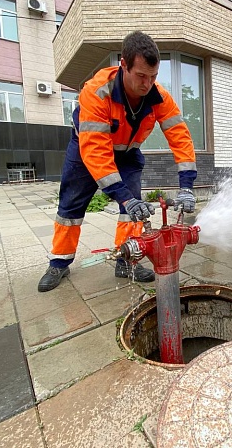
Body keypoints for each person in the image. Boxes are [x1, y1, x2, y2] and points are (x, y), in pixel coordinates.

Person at [38, 31, 197, 292]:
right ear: (123, 64)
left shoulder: (159, 97)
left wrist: (187, 186)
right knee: (71, 206)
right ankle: (59, 262)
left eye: (154, 76)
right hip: (85, 150)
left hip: (127, 153)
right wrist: (122, 195)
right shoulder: (96, 93)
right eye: (142, 76)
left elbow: (180, 138)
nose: (148, 84)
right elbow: (96, 152)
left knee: (133, 210)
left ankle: (127, 259)